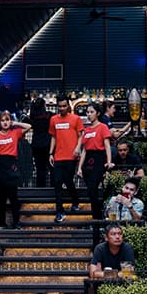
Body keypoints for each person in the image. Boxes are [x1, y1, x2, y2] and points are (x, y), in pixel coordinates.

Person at [0, 111, 31, 227]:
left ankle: (16, 222)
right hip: (0, 165)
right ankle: (2, 222)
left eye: (7, 120)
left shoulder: (15, 133)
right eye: (2, 120)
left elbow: (29, 126)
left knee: (13, 196)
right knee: (1, 197)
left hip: (12, 165)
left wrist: (15, 123)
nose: (5, 122)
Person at [49, 94, 84, 223]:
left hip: (71, 156)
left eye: (64, 106)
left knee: (68, 180)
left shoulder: (76, 119)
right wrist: (50, 153)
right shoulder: (53, 119)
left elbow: (81, 135)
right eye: (60, 106)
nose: (62, 108)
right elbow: (53, 136)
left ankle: (75, 200)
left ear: (68, 105)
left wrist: (77, 148)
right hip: (58, 156)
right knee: (57, 183)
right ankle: (59, 211)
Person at [77, 102, 114, 220]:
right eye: (87, 112)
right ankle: (97, 217)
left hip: (98, 159)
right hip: (87, 161)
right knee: (91, 191)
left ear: (97, 113)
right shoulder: (86, 130)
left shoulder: (103, 127)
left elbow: (107, 145)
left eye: (91, 112)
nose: (89, 114)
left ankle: (97, 218)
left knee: (92, 189)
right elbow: (84, 150)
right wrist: (79, 167)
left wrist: (109, 161)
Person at [29, 95, 52, 187]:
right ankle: (52, 188)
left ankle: (40, 188)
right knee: (51, 167)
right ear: (44, 106)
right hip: (48, 144)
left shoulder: (32, 118)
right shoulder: (49, 116)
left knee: (40, 169)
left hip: (36, 145)